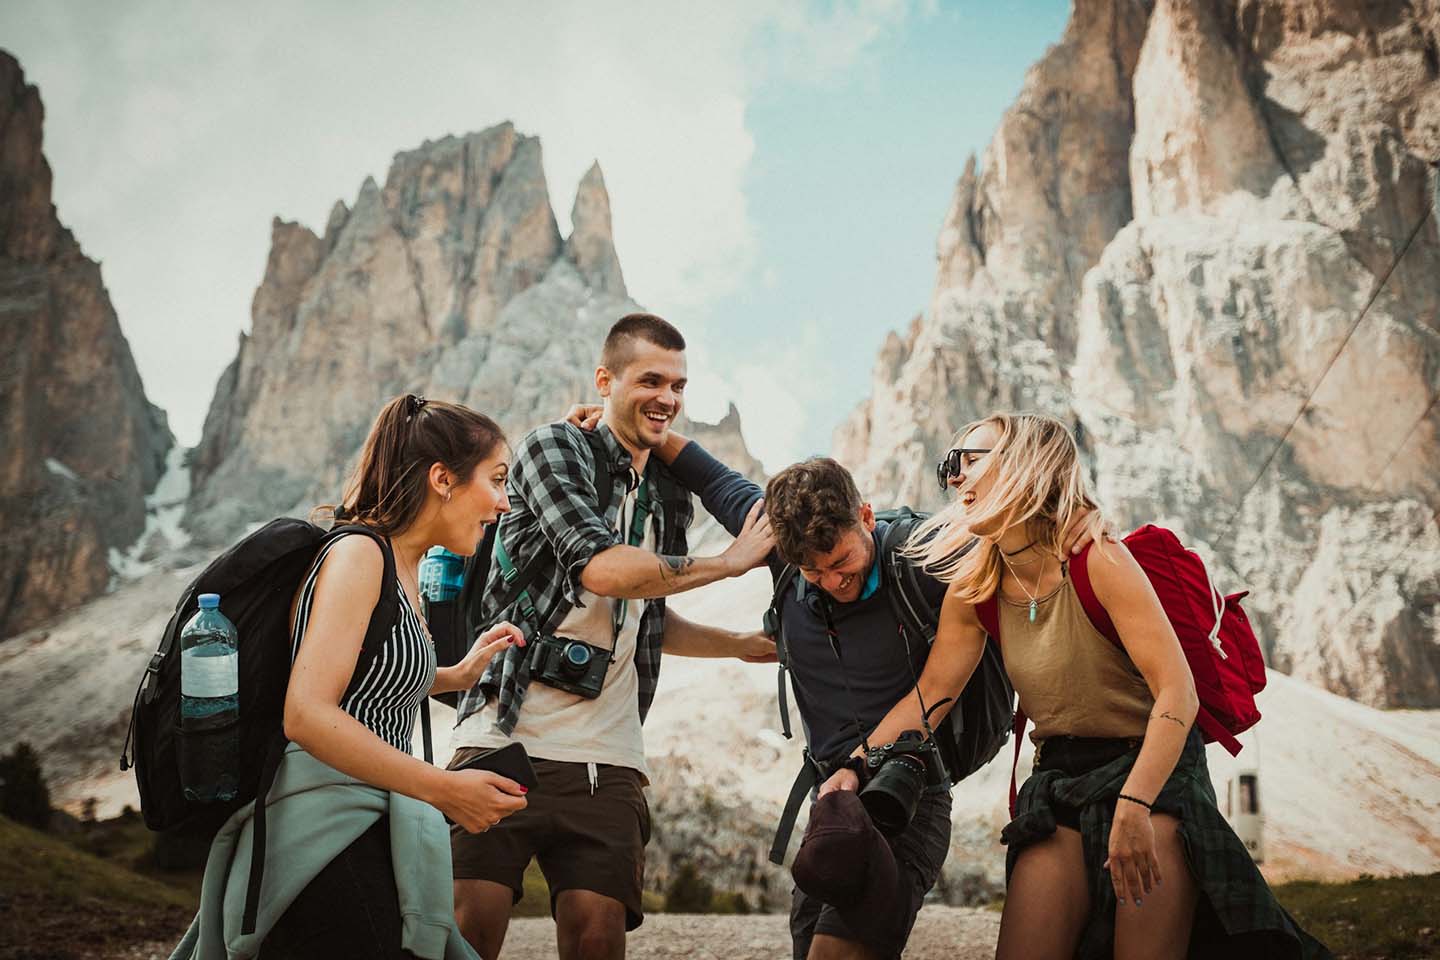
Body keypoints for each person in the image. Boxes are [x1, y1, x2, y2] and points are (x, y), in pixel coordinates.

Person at [867, 411, 1331, 959]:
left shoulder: (1098, 560)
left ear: (1026, 466)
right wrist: (852, 768)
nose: (955, 478)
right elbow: (930, 697)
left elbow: (1177, 691)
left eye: (972, 460)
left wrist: (1136, 805)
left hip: (1152, 772)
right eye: (951, 464)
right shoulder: (975, 587)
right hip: (1061, 776)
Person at [649, 430, 1093, 960]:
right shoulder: (783, 547)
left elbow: (1028, 531)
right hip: (833, 801)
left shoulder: (925, 554)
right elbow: (710, 476)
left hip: (907, 792)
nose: (832, 581)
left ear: (864, 516)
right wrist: (634, 427)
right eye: (813, 572)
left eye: (841, 562)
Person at [448, 314, 776, 960]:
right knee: (466, 931)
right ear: (605, 380)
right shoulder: (552, 450)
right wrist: (729, 563)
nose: (669, 398)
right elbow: (600, 568)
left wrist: (738, 645)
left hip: (610, 753)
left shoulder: (669, 493)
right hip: (504, 730)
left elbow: (648, 611)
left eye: (679, 385)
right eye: (651, 379)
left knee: (598, 937)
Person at [171, 395, 533, 960]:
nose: (505, 503)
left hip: (372, 815)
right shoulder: (361, 554)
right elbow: (308, 713)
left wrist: (455, 674)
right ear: (442, 478)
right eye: (497, 480)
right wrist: (444, 790)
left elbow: (366, 675)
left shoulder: (405, 567)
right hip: (323, 827)